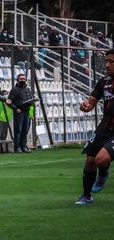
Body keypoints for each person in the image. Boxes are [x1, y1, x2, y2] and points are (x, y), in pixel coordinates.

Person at [75, 49, 114, 205]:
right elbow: (91, 102)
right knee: (90, 161)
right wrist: (85, 105)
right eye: (106, 61)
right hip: (105, 127)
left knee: (100, 159)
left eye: (111, 62)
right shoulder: (104, 82)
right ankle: (86, 195)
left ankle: (104, 172)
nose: (107, 65)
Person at [8, 74, 35, 153]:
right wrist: (15, 108)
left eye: (24, 79)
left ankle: (23, 146)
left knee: (25, 130)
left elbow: (30, 98)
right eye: (21, 79)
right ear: (17, 80)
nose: (23, 80)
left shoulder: (27, 89)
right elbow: (9, 101)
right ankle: (17, 147)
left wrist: (33, 101)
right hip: (19, 113)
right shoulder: (14, 89)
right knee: (18, 130)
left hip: (26, 112)